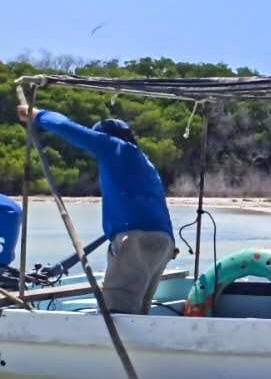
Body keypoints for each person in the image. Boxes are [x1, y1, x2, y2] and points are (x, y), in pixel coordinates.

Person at [16, 105, 174, 314]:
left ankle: (111, 346)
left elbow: (67, 127)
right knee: (138, 314)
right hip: (163, 242)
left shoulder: (115, 148)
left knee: (118, 313)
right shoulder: (142, 161)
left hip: (136, 240)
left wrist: (37, 115)